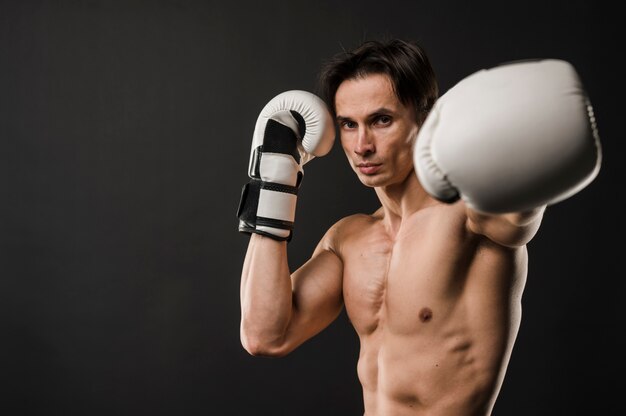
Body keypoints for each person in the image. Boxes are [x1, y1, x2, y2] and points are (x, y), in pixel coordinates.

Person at [236, 38, 601, 415]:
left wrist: (538, 152)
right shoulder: (348, 239)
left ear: (424, 120)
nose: (362, 145)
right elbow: (265, 336)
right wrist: (275, 180)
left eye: (381, 120)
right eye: (348, 124)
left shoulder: (472, 220)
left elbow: (518, 213)